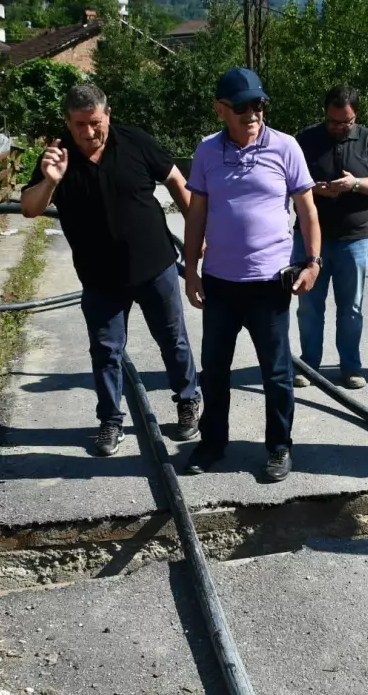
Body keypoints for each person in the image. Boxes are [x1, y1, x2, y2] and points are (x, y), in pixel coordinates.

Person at [20, 84, 200, 457]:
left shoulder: (135, 141)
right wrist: (51, 180)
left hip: (155, 267)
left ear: (108, 114)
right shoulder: (56, 159)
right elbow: (29, 208)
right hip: (100, 277)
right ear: (68, 122)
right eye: (79, 125)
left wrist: (198, 240)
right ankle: (110, 420)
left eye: (95, 123)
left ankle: (187, 400)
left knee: (172, 338)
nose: (88, 133)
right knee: (106, 351)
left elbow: (178, 183)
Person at [182, 67, 322, 482]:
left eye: (258, 104)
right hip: (221, 283)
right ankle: (212, 443)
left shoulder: (286, 147)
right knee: (215, 368)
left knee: (276, 372)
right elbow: (197, 214)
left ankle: (279, 446)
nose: (252, 114)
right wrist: (191, 270)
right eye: (242, 107)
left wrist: (313, 261)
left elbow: (308, 209)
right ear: (220, 109)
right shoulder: (207, 151)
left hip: (269, 282)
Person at [291, 85, 368, 390]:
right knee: (309, 305)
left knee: (351, 307)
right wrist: (312, 188)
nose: (338, 128)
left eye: (345, 122)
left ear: (355, 116)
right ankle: (309, 363)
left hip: (354, 239)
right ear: (325, 114)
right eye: (333, 121)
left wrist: (355, 183)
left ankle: (350, 366)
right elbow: (286, 179)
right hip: (311, 239)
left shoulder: (367, 138)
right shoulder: (306, 138)